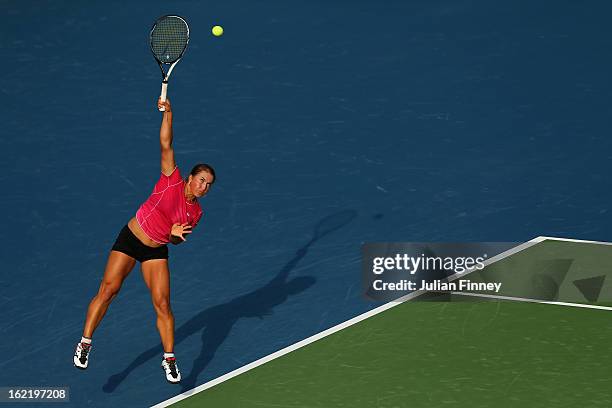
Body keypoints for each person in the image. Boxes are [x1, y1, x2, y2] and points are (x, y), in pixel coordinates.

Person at [73, 98, 215, 384]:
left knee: (162, 304)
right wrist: (169, 113)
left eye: (208, 184)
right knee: (109, 290)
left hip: (156, 250)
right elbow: (166, 143)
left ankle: (169, 359)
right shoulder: (171, 179)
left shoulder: (196, 212)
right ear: (189, 178)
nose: (203, 186)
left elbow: (176, 240)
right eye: (200, 180)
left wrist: (175, 237)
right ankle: (85, 342)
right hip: (131, 239)